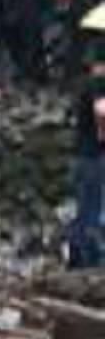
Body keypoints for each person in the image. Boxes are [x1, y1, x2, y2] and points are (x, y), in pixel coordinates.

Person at [70, 48, 105, 267]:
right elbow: (101, 113)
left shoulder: (84, 85)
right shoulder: (97, 85)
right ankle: (90, 259)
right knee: (93, 209)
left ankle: (77, 257)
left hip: (82, 155)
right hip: (93, 156)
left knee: (85, 208)